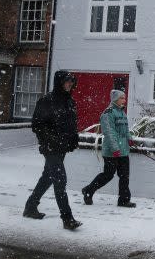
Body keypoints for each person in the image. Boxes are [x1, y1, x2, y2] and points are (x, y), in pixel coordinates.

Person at [23, 70, 82, 230]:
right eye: (66, 81)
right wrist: (51, 140)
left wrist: (73, 137)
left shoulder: (69, 101)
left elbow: (71, 122)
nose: (69, 84)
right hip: (51, 147)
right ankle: (67, 218)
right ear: (59, 82)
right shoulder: (47, 100)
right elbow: (37, 125)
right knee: (60, 180)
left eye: (71, 81)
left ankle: (30, 206)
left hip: (62, 147)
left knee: (48, 177)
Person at [82, 89, 136, 208]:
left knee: (124, 176)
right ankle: (89, 190)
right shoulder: (108, 113)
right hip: (112, 152)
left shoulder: (122, 112)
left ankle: (124, 200)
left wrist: (130, 139)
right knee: (108, 175)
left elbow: (126, 129)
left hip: (123, 150)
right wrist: (115, 149)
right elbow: (109, 133)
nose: (124, 100)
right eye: (122, 98)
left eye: (124, 98)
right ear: (115, 99)